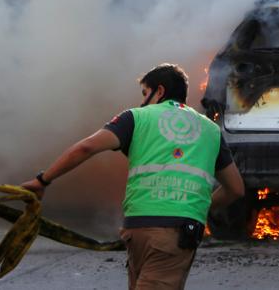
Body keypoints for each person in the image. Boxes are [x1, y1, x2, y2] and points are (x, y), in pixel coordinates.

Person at [21, 63, 245, 290]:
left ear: (159, 91)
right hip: (178, 232)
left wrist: (42, 180)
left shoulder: (135, 118)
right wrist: (195, 208)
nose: (142, 100)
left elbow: (87, 147)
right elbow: (236, 189)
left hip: (136, 228)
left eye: (145, 93)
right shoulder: (211, 130)